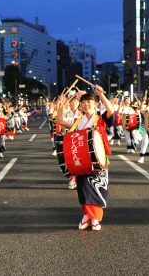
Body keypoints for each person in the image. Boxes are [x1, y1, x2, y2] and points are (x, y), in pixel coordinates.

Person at [55, 85, 114, 231]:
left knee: (97, 188)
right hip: (81, 161)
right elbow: (60, 120)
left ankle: (95, 218)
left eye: (89, 102)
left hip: (98, 161)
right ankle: (87, 215)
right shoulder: (77, 122)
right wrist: (61, 106)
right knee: (83, 189)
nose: (86, 104)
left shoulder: (99, 119)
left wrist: (100, 94)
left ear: (95, 104)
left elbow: (111, 111)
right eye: (84, 102)